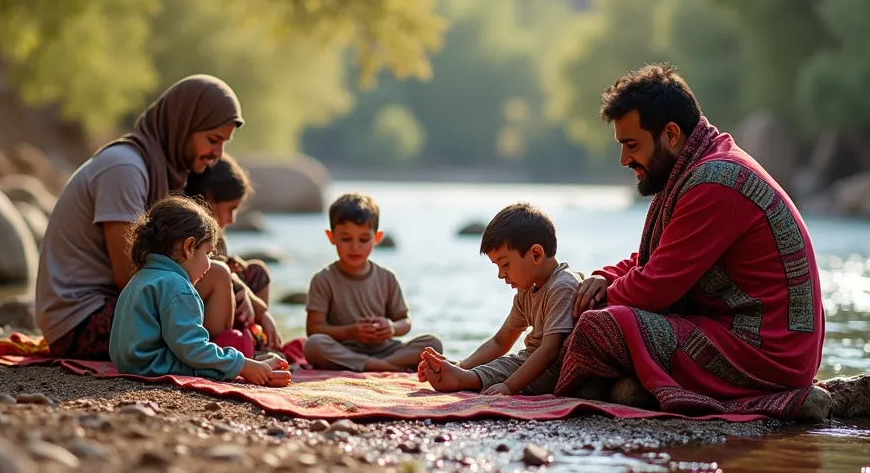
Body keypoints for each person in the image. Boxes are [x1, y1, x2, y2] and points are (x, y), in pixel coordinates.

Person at [557, 63, 832, 422]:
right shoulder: (696, 167)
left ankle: (547, 384)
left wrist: (591, 302)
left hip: (769, 355)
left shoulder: (715, 182)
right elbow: (662, 256)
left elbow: (656, 286)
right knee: (592, 311)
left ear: (671, 135)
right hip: (739, 335)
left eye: (631, 145)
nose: (624, 159)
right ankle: (622, 385)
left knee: (600, 325)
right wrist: (603, 279)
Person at [36, 74, 249, 360]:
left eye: (223, 143)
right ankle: (214, 353)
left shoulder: (164, 169)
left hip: (120, 301)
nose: (218, 154)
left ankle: (222, 344)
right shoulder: (124, 169)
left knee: (249, 277)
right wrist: (223, 283)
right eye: (212, 140)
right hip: (81, 320)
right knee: (221, 278)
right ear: (182, 126)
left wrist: (242, 290)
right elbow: (130, 275)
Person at [108, 194, 291, 386]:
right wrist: (242, 366)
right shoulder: (178, 286)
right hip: (154, 366)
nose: (209, 264)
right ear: (188, 247)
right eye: (208, 253)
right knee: (215, 365)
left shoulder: (142, 277)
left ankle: (250, 363)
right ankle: (249, 365)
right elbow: (193, 349)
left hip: (131, 365)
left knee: (223, 362)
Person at [417, 203, 582, 396]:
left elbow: (549, 351)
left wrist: (509, 387)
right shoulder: (526, 291)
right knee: (506, 363)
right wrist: (462, 365)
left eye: (505, 264)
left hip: (556, 370)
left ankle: (463, 380)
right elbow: (500, 341)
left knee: (508, 366)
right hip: (532, 361)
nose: (501, 275)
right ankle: (460, 374)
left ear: (536, 254)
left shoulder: (562, 285)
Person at [303, 193, 442, 372]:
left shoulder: (387, 277)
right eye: (346, 239)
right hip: (345, 349)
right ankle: (383, 366)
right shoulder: (323, 279)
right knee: (313, 345)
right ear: (331, 237)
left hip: (386, 350)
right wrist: (351, 331)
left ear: (377, 238)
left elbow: (404, 321)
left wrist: (391, 328)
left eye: (363, 239)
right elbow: (314, 329)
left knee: (433, 343)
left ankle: (377, 364)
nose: (355, 247)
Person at [183, 153, 282, 353]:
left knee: (257, 271)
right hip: (192, 304)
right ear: (207, 200)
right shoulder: (187, 232)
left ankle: (254, 337)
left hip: (223, 299)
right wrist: (242, 291)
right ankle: (217, 348)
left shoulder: (218, 238)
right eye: (231, 209)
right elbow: (209, 271)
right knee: (225, 276)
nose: (232, 219)